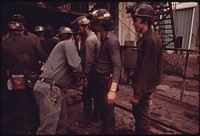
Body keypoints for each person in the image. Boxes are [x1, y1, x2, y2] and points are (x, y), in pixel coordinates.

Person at [33, 26, 82, 135]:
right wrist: (82, 76)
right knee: (47, 129)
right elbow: (76, 66)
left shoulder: (59, 46)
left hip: (51, 88)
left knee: (61, 123)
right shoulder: (68, 44)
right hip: (50, 89)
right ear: (72, 37)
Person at [2, 20, 47, 134]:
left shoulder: (3, 43)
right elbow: (43, 56)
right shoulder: (31, 39)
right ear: (21, 30)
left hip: (16, 78)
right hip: (32, 76)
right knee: (38, 102)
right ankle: (41, 127)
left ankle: (30, 129)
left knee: (26, 105)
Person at [126, 3, 163, 134]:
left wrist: (137, 95)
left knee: (142, 120)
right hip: (143, 87)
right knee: (138, 115)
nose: (133, 24)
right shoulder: (146, 38)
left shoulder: (150, 40)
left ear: (145, 20)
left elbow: (146, 70)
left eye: (135, 20)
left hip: (144, 88)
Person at [88, 9, 122, 134]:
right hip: (100, 80)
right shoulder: (105, 38)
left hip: (106, 82)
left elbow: (118, 66)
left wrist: (112, 90)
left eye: (95, 23)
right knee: (103, 111)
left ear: (99, 24)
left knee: (108, 113)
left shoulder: (112, 41)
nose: (94, 25)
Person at [72, 16, 100, 127]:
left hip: (91, 75)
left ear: (86, 27)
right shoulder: (94, 38)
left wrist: (86, 78)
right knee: (95, 96)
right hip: (95, 73)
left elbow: (89, 61)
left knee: (87, 97)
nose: (79, 31)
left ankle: (88, 120)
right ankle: (95, 118)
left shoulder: (89, 41)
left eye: (80, 29)